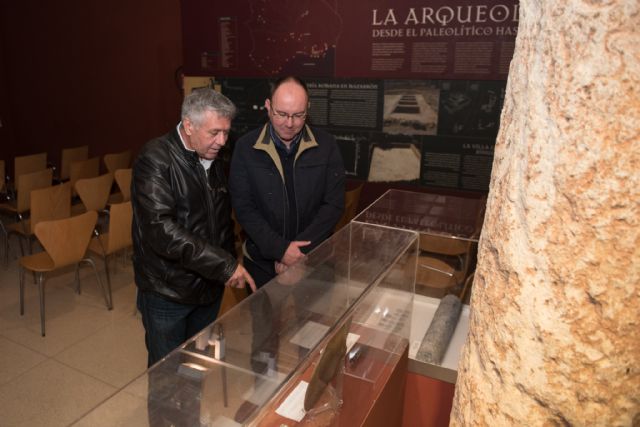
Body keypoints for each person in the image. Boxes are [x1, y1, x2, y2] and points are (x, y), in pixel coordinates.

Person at [132, 88, 256, 368]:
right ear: (188, 125)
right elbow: (161, 230)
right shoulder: (155, 159)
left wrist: (228, 261)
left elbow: (222, 219)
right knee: (167, 376)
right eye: (214, 132)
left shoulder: (215, 154)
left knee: (197, 368)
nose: (222, 141)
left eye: (226, 132)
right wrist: (224, 266)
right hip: (168, 294)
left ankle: (191, 414)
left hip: (209, 289)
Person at [229, 76, 345, 289]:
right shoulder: (246, 148)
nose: (289, 123)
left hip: (315, 259)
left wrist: (298, 255)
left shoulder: (327, 146)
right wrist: (281, 250)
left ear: (307, 109)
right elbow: (244, 208)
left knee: (316, 322)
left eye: (298, 115)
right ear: (268, 106)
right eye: (281, 114)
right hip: (262, 263)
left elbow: (333, 204)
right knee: (265, 322)